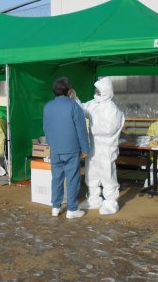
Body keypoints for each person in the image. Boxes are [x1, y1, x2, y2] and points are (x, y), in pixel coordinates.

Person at [73, 77, 125, 215]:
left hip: (106, 147)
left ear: (106, 91)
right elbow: (82, 109)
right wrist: (75, 99)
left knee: (107, 174)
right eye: (96, 89)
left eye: (99, 90)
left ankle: (111, 202)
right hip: (94, 146)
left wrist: (91, 128)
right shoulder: (94, 103)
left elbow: (109, 128)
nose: (97, 92)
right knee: (92, 172)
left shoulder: (111, 108)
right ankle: (94, 198)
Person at [43, 77, 90, 219]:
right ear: (69, 91)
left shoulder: (47, 106)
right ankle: (72, 209)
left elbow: (46, 129)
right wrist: (85, 149)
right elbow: (81, 130)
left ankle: (55, 207)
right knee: (72, 179)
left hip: (55, 149)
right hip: (71, 149)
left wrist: (52, 145)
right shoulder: (74, 106)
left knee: (56, 178)